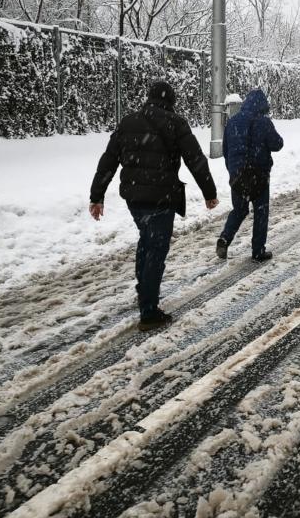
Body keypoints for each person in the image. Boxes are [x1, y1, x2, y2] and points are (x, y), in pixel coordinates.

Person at [89, 81, 219, 331]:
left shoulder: (128, 122)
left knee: (146, 240)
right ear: (171, 101)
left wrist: (97, 196)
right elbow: (195, 159)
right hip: (162, 197)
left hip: (134, 198)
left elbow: (108, 161)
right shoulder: (176, 123)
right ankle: (148, 311)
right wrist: (209, 192)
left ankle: (144, 290)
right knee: (156, 251)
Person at [217, 88, 284, 262]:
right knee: (261, 212)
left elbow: (226, 150)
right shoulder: (264, 122)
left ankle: (225, 238)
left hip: (237, 175)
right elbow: (277, 144)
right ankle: (258, 250)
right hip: (259, 175)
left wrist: (233, 171)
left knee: (239, 209)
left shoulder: (232, 122)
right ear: (263, 105)